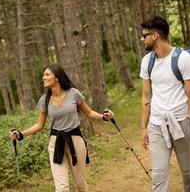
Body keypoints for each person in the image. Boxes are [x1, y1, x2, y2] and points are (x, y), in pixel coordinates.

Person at [10, 64, 113, 192]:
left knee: (81, 185)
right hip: (55, 143)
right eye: (44, 75)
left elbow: (89, 112)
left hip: (75, 141)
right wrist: (21, 134)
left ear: (57, 77)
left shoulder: (73, 94)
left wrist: (103, 117)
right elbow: (39, 125)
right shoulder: (44, 100)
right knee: (62, 188)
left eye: (47, 75)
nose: (44, 77)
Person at [139, 16, 190, 192]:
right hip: (157, 124)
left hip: (181, 123)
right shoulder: (147, 61)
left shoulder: (183, 59)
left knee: (188, 174)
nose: (142, 39)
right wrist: (144, 127)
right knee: (159, 176)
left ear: (155, 36)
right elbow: (146, 96)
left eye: (144, 35)